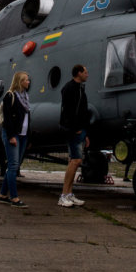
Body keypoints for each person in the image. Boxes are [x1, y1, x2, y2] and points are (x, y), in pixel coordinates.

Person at [0, 71, 31, 208]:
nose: (28, 82)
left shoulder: (25, 97)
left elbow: (28, 118)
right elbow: (7, 119)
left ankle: (2, 195)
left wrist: (28, 137)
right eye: (26, 80)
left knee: (14, 166)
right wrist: (11, 136)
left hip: (23, 135)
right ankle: (14, 197)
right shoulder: (10, 96)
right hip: (13, 135)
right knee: (12, 166)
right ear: (20, 81)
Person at [58, 65, 89, 208]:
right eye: (85, 72)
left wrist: (85, 133)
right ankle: (64, 195)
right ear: (78, 73)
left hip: (79, 130)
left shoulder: (80, 88)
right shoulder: (69, 88)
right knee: (75, 161)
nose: (87, 74)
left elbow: (82, 112)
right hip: (73, 131)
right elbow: (67, 111)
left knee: (75, 161)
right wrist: (73, 129)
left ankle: (69, 194)